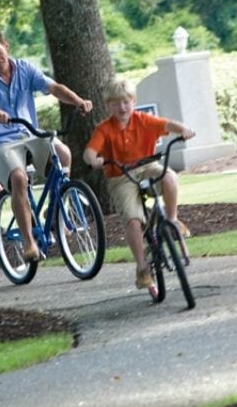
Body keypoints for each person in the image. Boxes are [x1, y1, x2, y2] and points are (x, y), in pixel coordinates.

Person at [0, 29, 94, 262]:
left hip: (29, 134)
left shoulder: (25, 69)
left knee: (64, 154)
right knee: (19, 179)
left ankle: (56, 211)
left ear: (6, 46)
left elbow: (53, 88)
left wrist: (78, 101)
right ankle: (29, 243)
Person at [82, 78, 196, 292]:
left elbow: (168, 125)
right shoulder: (104, 129)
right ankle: (142, 267)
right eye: (115, 104)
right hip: (120, 176)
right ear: (108, 106)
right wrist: (94, 160)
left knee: (170, 177)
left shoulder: (143, 120)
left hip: (147, 166)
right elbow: (89, 152)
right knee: (133, 222)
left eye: (126, 102)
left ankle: (172, 220)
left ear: (133, 102)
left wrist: (184, 130)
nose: (122, 107)